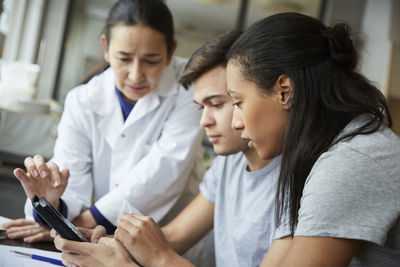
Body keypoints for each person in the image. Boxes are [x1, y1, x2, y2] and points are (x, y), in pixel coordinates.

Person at [52, 30, 290, 267]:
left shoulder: (297, 179)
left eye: (218, 104)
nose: (204, 121)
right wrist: (102, 245)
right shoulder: (229, 163)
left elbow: (162, 250)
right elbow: (175, 236)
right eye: (201, 108)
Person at [4, 0, 204, 242]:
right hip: (105, 237)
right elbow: (72, 177)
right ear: (106, 47)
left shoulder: (190, 86)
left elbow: (164, 170)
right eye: (124, 58)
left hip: (175, 235)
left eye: (151, 60)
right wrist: (52, 203)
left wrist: (69, 227)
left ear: (171, 51)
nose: (136, 74)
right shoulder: (82, 100)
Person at [225, 12, 400, 266]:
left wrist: (161, 259)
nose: (235, 122)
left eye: (238, 102)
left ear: (285, 92)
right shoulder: (331, 152)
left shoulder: (350, 161)